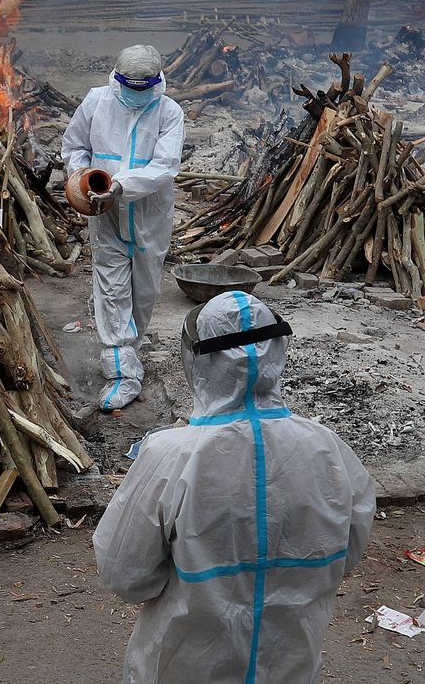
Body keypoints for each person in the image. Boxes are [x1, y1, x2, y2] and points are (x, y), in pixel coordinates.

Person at [93, 291, 375, 683]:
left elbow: (125, 575)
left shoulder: (169, 456)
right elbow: (347, 552)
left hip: (185, 669)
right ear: (279, 352)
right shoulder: (330, 452)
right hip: (290, 667)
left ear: (198, 360)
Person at [61, 44, 185, 410]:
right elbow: (74, 146)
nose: (134, 95)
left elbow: (165, 166)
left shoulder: (169, 112)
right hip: (106, 216)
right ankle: (121, 371)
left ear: (155, 83)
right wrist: (81, 177)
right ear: (117, 79)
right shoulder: (96, 102)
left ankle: (131, 344)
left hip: (148, 214)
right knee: (112, 289)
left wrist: (120, 186)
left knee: (144, 292)